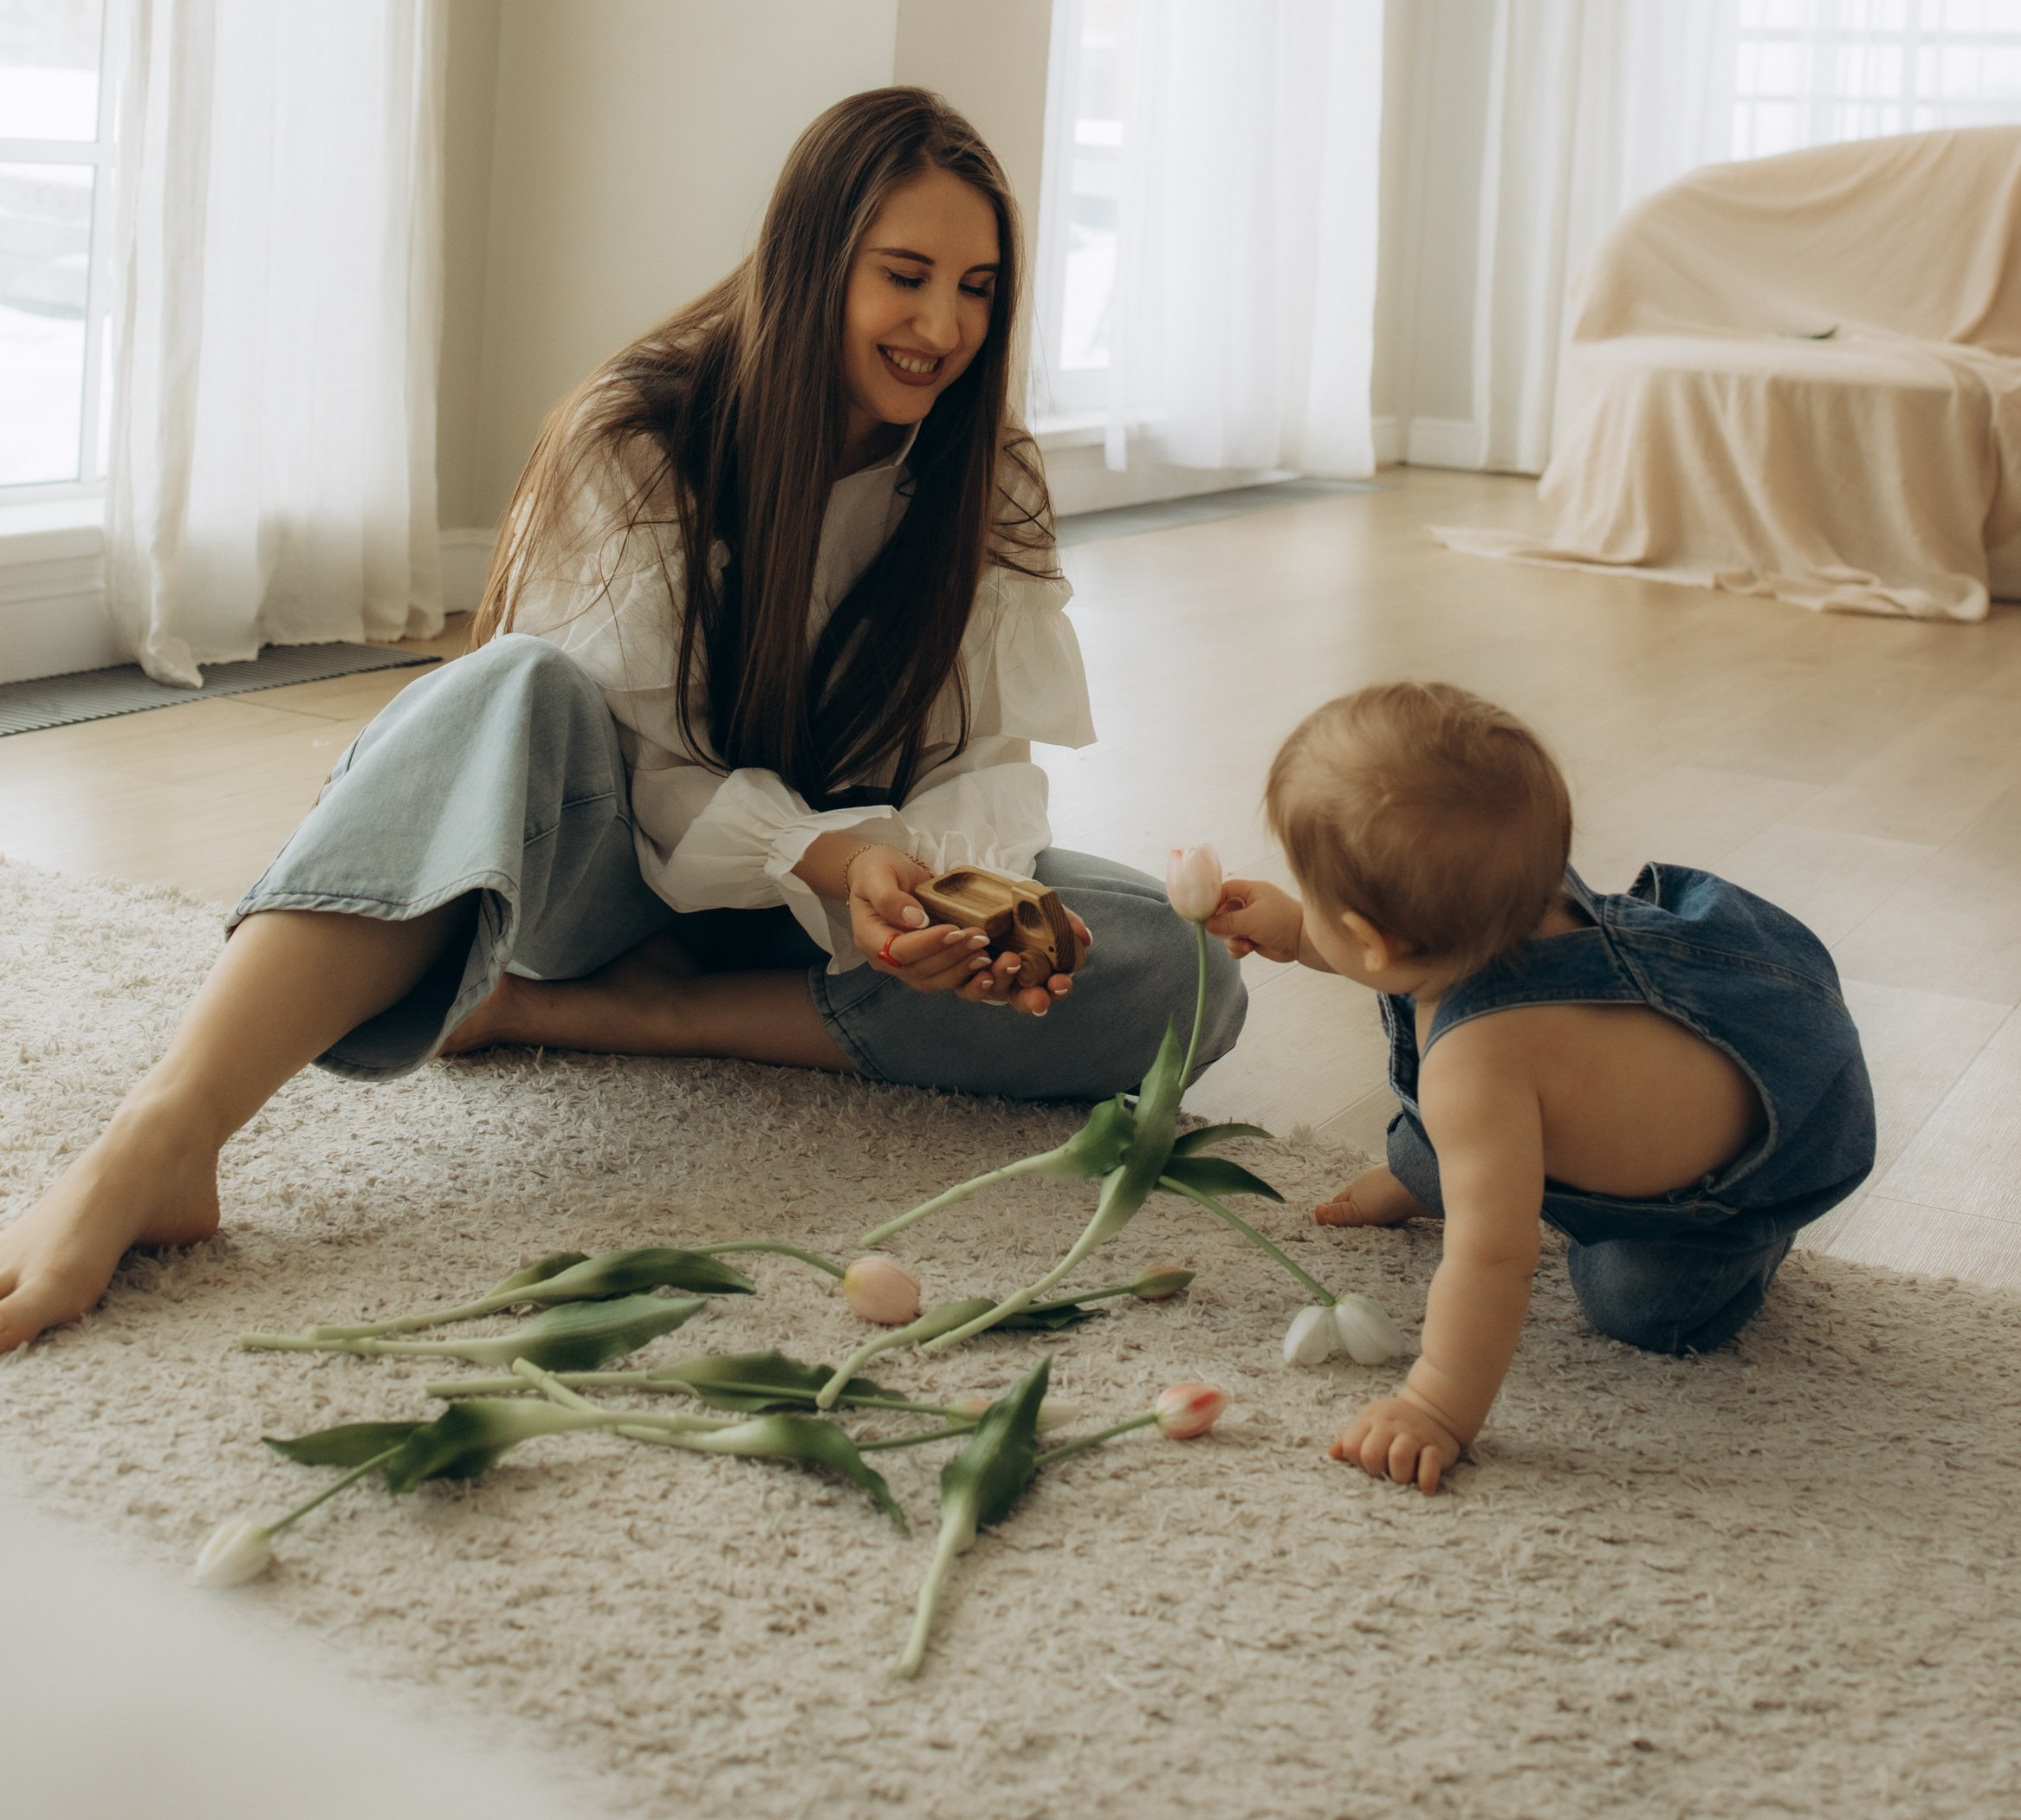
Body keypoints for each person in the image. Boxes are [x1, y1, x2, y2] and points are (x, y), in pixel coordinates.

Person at [0, 87, 1243, 1353]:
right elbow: (648, 773)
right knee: (507, 687)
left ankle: (603, 1018)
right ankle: (161, 1136)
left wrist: (931, 902)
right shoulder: (641, 432)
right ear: (815, 262)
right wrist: (836, 857)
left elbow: (989, 764)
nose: (942, 326)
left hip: (822, 934)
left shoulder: (990, 476)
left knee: (1177, 971)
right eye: (906, 276)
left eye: (978, 288)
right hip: (620, 887)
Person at [1208, 680, 1874, 1496]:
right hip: (1615, 1055)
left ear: (1368, 939)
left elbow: (1493, 1259)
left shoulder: (1479, 1063)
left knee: (1632, 1302)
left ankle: (1754, 1244)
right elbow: (1389, 955)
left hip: (1744, 1160)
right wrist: (1295, 931)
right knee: (1443, 1146)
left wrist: (1435, 1405)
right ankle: (1439, 1177)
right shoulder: (1491, 903)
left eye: (1310, 899)